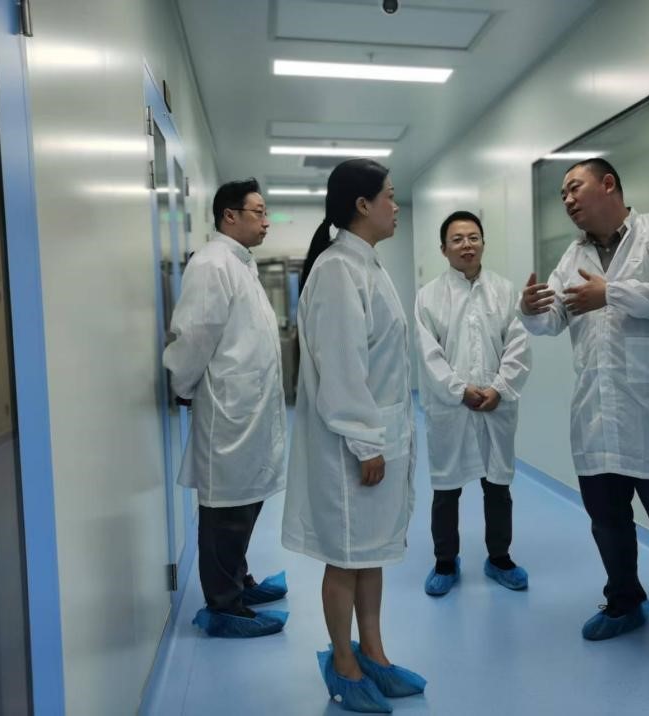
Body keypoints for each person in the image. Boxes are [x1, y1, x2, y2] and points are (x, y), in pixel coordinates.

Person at [518, 158, 649, 666]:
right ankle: (625, 602)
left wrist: (611, 293)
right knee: (608, 523)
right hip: (596, 414)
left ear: (609, 184)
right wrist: (531, 310)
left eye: (574, 188)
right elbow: (553, 319)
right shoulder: (572, 254)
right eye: (562, 194)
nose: (567, 200)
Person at [282, 159, 426, 713]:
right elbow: (342, 368)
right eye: (389, 196)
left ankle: (375, 654)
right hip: (353, 445)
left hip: (378, 436)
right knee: (345, 555)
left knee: (371, 552)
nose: (395, 205)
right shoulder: (338, 270)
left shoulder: (367, 264)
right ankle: (343, 665)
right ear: (362, 205)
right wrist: (367, 442)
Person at [163, 178, 289, 639]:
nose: (267, 221)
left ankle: (239, 583)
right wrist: (182, 384)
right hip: (229, 411)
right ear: (229, 216)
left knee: (245, 504)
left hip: (249, 409)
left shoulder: (239, 263)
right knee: (225, 511)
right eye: (259, 211)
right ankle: (223, 606)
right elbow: (194, 334)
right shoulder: (212, 263)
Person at [414, 210, 532, 597]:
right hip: (452, 408)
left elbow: (518, 345)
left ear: (483, 242)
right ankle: (445, 561)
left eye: (473, 237)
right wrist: (459, 389)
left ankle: (499, 558)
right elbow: (428, 354)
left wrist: (499, 388)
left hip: (496, 406)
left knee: (497, 486)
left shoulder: (505, 290)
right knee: (446, 488)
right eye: (458, 239)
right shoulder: (429, 296)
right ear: (443, 249)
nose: (467, 245)